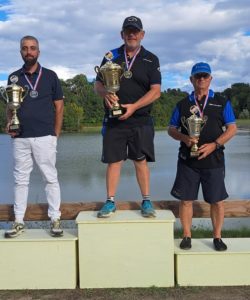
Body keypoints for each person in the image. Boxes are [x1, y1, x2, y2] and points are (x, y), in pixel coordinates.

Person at [94, 16, 161, 218]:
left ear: (142, 34)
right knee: (114, 161)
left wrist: (134, 107)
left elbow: (156, 91)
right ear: (122, 34)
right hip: (114, 120)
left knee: (140, 161)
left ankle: (147, 201)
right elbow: (97, 84)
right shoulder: (110, 56)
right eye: (128, 31)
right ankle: (110, 201)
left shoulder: (151, 58)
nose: (131, 34)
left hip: (140, 119)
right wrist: (105, 93)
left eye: (135, 31)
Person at [168, 62, 237, 251]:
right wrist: (184, 138)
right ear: (191, 80)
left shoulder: (222, 102)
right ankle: (187, 236)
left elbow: (232, 128)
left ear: (210, 79)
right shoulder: (182, 104)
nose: (201, 79)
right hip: (187, 161)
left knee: (217, 201)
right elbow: (171, 129)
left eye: (205, 76)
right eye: (197, 76)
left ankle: (217, 237)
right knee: (186, 200)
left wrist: (215, 145)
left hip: (214, 161)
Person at [4, 36, 64, 238]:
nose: (28, 51)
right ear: (20, 51)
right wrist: (9, 123)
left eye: (32, 48)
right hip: (20, 136)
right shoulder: (13, 77)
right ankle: (18, 221)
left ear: (39, 51)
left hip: (45, 136)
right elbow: (9, 106)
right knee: (20, 180)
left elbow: (59, 107)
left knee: (50, 177)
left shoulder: (50, 76)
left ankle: (55, 219)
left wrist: (55, 133)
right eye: (24, 48)